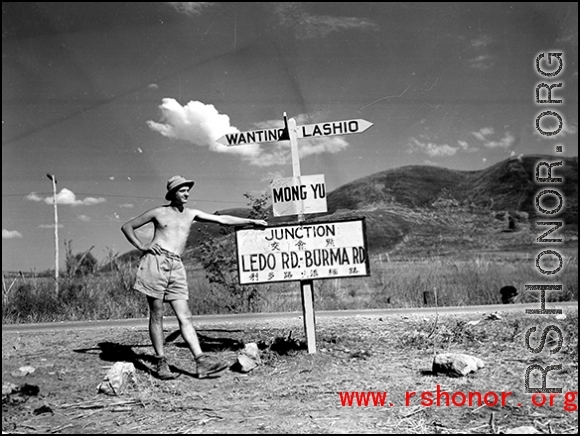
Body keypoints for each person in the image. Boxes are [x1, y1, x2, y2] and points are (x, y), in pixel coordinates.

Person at [121, 175, 267, 380]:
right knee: (157, 314)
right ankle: (161, 362)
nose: (187, 193)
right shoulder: (158, 212)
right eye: (182, 190)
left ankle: (200, 361)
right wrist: (142, 246)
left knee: (185, 315)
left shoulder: (191, 213)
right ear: (172, 193)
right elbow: (127, 226)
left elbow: (222, 219)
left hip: (176, 265)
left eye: (188, 190)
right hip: (156, 262)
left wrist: (251, 221)